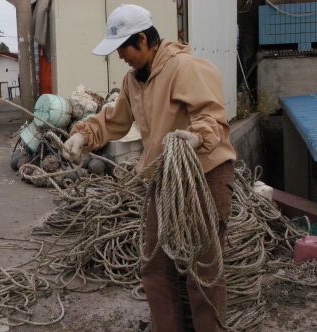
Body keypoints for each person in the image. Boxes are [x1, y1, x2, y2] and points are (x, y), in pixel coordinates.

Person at [62, 4, 236, 332]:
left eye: (124, 49)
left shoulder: (184, 67)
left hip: (204, 174)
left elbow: (211, 113)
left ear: (142, 40)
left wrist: (197, 137)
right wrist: (82, 135)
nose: (121, 57)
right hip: (164, 179)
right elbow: (115, 119)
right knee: (155, 267)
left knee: (204, 269)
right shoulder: (133, 81)